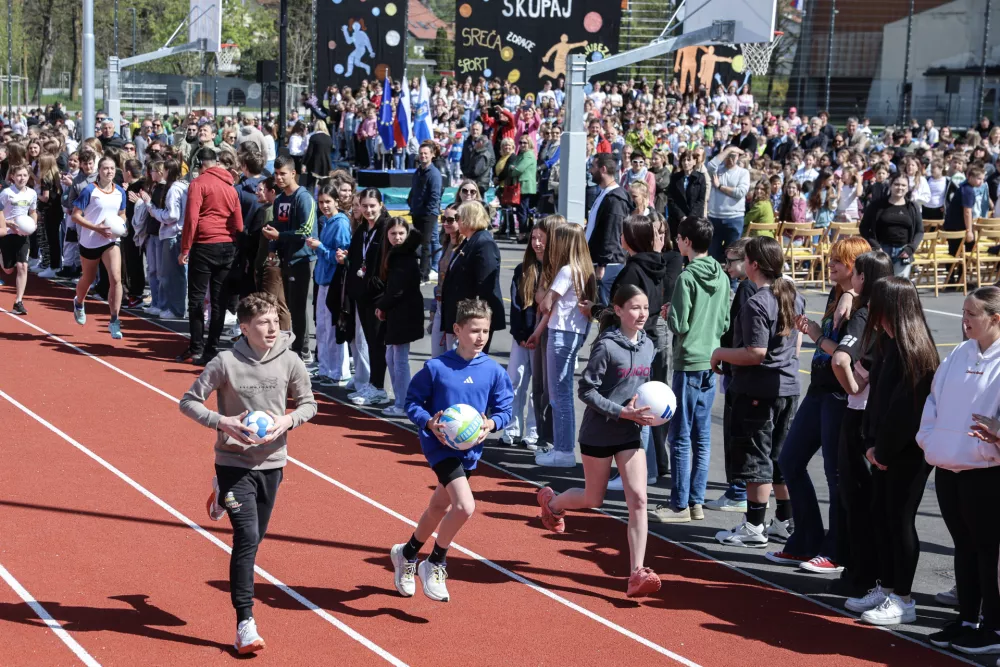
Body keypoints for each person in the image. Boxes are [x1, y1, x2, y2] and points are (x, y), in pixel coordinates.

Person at [181, 292, 317, 655]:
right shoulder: (225, 362)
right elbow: (188, 401)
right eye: (263, 322)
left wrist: (287, 420)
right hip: (233, 463)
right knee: (247, 537)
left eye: (275, 321)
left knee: (255, 541)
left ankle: (219, 496)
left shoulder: (291, 361)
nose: (272, 328)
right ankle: (245, 622)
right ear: (244, 327)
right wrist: (222, 421)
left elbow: (308, 405)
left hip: (273, 463)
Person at [537, 284, 662, 598]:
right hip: (599, 433)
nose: (641, 314)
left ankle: (636, 573)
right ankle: (552, 504)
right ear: (618, 311)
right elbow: (586, 391)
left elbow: (645, 388)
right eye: (634, 307)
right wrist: (622, 412)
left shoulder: (649, 345)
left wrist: (653, 408)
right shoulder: (606, 347)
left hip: (630, 434)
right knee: (594, 500)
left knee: (639, 500)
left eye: (645, 307)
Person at [389, 297, 513, 602]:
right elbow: (413, 403)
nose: (481, 337)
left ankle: (406, 554)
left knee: (438, 508)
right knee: (465, 507)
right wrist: (429, 423)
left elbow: (505, 409)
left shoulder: (494, 371)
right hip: (440, 446)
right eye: (474, 330)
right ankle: (436, 562)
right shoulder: (437, 368)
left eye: (485, 330)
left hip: (470, 451)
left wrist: (492, 424)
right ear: (457, 330)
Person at [837, 277, 938, 627]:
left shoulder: (915, 350)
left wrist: (882, 449)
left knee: (899, 521)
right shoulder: (887, 344)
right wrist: (869, 444)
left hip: (906, 454)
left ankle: (905, 599)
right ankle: (888, 586)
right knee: (881, 517)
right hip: (882, 451)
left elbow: (907, 412)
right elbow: (877, 401)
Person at [770, 237, 870, 572]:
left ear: (855, 265)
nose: (830, 265)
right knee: (790, 460)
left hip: (840, 395)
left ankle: (836, 549)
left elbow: (843, 350)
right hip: (819, 390)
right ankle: (807, 538)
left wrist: (815, 332)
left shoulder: (860, 304)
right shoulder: (837, 295)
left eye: (838, 261)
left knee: (835, 472)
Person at [918, 287, 1000, 653]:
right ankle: (967, 618)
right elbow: (933, 400)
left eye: (972, 314)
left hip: (984, 471)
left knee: (988, 550)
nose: (964, 319)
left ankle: (993, 627)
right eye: (963, 312)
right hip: (948, 467)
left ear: (995, 319)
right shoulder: (958, 354)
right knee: (963, 547)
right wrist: (930, 440)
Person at [709, 236, 803, 546]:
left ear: (754, 265)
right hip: (787, 386)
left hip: (758, 390)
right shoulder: (792, 294)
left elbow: (755, 352)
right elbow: (796, 341)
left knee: (756, 457)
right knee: (779, 456)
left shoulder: (758, 302)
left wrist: (721, 353)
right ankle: (783, 519)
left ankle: (754, 525)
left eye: (745, 258)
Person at [651, 216, 729, 522]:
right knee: (702, 435)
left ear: (685, 241)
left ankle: (679, 503)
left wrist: (670, 314)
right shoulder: (722, 276)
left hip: (689, 360)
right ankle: (695, 500)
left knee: (680, 435)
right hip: (711, 356)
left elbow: (681, 324)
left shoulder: (687, 278)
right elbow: (724, 321)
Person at [826, 250, 894, 598]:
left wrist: (852, 385)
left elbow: (841, 358)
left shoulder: (863, 314)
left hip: (860, 412)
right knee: (873, 500)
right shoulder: (889, 310)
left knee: (855, 494)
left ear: (864, 278)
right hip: (881, 413)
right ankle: (873, 573)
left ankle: (860, 574)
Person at [529, 224, 597, 468]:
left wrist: (544, 294)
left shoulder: (567, 270)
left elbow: (545, 304)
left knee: (559, 396)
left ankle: (564, 450)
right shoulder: (583, 269)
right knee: (562, 394)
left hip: (561, 335)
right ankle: (562, 448)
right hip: (572, 334)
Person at [177, 147, 244, 364]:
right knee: (219, 300)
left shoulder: (198, 184)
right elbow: (239, 223)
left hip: (204, 244)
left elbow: (191, 219)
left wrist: (185, 248)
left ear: (200, 165)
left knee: (196, 298)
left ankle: (196, 346)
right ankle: (211, 348)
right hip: (227, 245)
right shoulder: (230, 187)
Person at [265, 155, 316, 364]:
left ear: (293, 173)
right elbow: (278, 225)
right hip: (286, 258)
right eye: (276, 174)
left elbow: (306, 231)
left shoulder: (303, 198)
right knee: (290, 305)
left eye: (282, 174)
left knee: (298, 307)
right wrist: (272, 247)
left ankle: (302, 351)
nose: (278, 178)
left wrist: (279, 237)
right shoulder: (279, 200)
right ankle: (296, 346)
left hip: (302, 259)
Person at [344, 188, 391, 407]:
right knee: (370, 342)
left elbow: (388, 264)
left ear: (380, 205)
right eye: (364, 206)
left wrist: (378, 289)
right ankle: (373, 384)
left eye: (372, 205)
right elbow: (356, 257)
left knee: (378, 343)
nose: (369, 210)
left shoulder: (387, 229)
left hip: (378, 295)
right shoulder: (362, 229)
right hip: (362, 295)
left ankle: (379, 388)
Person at [70, 157, 127, 338]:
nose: (109, 172)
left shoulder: (120, 192)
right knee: (88, 278)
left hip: (110, 241)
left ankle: (114, 320)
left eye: (111, 168)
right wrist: (97, 228)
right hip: (90, 240)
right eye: (105, 168)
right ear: (99, 170)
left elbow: (122, 214)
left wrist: (119, 225)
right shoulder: (89, 190)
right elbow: (75, 216)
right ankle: (79, 302)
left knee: (116, 278)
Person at [439, 201, 506, 353]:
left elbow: (484, 285)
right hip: (461, 314)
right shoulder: (469, 241)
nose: (457, 221)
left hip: (473, 318)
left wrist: (475, 316)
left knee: (468, 362)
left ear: (470, 218)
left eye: (459, 217)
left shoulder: (484, 243)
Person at [376, 218, 424, 418]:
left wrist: (382, 305)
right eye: (393, 233)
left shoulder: (404, 256)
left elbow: (398, 290)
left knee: (400, 359)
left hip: (404, 312)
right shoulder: (394, 255)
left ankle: (403, 403)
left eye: (401, 233)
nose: (397, 237)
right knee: (392, 357)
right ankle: (401, 399)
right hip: (397, 312)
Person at [504, 221, 547, 448]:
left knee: (537, 389)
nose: (537, 243)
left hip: (541, 338)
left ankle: (533, 430)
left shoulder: (554, 270)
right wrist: (520, 334)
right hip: (522, 338)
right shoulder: (522, 270)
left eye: (541, 238)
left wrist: (536, 335)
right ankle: (511, 427)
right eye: (533, 238)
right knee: (515, 381)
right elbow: (517, 305)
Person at [307, 185, 352, 386]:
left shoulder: (340, 223)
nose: (324, 206)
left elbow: (340, 256)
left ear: (336, 201)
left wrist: (320, 247)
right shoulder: (326, 221)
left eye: (328, 201)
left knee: (333, 329)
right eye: (321, 202)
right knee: (323, 328)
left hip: (334, 281)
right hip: (323, 279)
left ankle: (338, 372)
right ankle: (326, 368)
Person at [586, 153, 631, 304]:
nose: (591, 170)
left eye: (593, 166)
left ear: (603, 169)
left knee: (606, 311)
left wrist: (602, 264)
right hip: (601, 261)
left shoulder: (615, 199)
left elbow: (612, 234)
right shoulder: (605, 194)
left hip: (609, 264)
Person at [859, 173, 923, 278]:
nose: (900, 188)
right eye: (896, 184)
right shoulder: (877, 205)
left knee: (899, 287)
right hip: (882, 251)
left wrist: (910, 249)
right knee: (880, 284)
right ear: (891, 185)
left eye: (903, 185)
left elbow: (919, 231)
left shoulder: (912, 207)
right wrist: (876, 246)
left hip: (903, 252)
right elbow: (864, 228)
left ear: (908, 188)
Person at [0, 164, 38, 316]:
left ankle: (18, 301)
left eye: (24, 175)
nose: (22, 178)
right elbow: (0, 212)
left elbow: (33, 211)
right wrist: (8, 223)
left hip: (22, 235)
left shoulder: (32, 194)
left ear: (28, 177)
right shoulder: (6, 193)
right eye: (19, 175)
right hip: (7, 233)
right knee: (8, 269)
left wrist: (33, 224)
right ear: (13, 177)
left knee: (22, 266)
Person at [706, 146, 750, 267]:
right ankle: (713, 281)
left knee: (734, 254)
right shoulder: (717, 170)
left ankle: (733, 283)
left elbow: (740, 192)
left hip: (734, 218)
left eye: (733, 155)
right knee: (713, 254)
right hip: (715, 217)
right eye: (728, 155)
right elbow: (710, 165)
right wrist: (728, 150)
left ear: (738, 157)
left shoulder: (743, 172)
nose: (730, 158)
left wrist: (720, 186)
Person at [408, 141, 443, 282]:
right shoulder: (418, 172)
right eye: (421, 153)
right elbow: (414, 191)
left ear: (432, 155)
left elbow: (435, 196)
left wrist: (428, 211)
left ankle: (424, 275)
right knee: (418, 244)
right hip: (416, 212)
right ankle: (420, 271)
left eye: (425, 154)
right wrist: (411, 204)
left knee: (426, 246)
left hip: (428, 214)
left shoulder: (434, 174)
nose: (423, 156)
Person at [665, 151, 707, 240]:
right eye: (684, 160)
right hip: (678, 219)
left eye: (689, 160)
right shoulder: (675, 178)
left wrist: (690, 217)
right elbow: (671, 199)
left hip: (694, 218)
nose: (686, 163)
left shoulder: (700, 178)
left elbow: (700, 200)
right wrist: (682, 216)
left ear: (695, 161)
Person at [300, 119, 332, 191]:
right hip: (326, 164)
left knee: (310, 186)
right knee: (324, 187)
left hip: (314, 164)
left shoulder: (314, 137)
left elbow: (309, 153)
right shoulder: (329, 138)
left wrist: (304, 164)